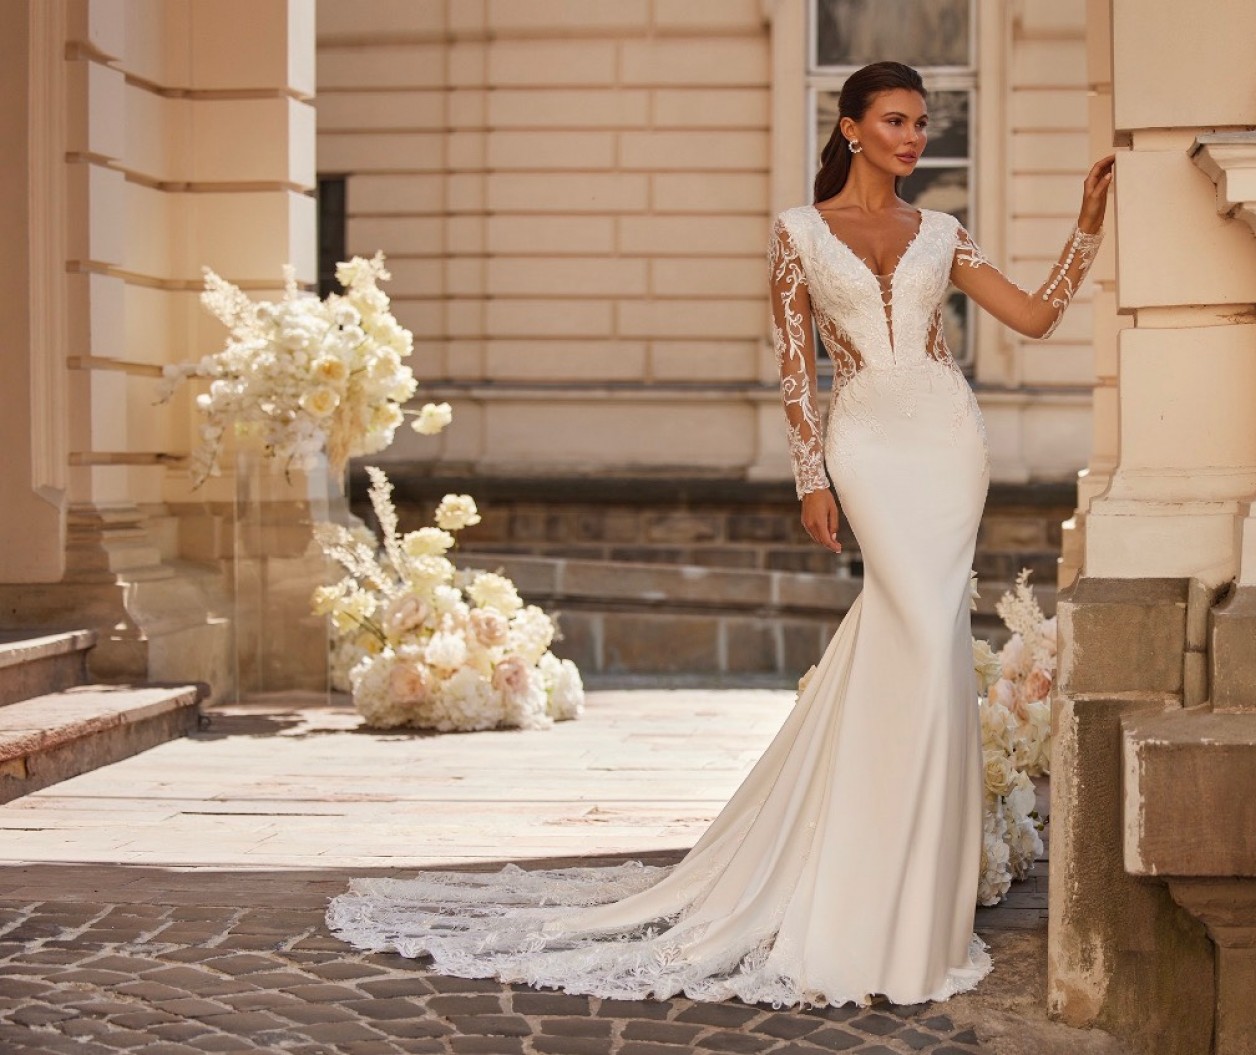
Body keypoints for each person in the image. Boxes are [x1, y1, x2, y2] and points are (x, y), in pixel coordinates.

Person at [325, 60, 1112, 1009]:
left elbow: (1035, 315)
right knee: (905, 629)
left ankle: (913, 905)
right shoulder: (798, 233)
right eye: (896, 121)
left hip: (948, 442)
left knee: (929, 649)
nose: (914, 138)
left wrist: (1087, 225)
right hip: (866, 443)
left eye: (921, 123)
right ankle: (867, 883)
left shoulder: (940, 232)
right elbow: (795, 365)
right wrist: (811, 475)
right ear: (852, 128)